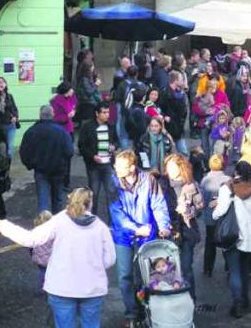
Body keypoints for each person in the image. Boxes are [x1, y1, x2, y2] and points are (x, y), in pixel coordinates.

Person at [0, 188, 116, 328]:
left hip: (61, 287)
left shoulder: (59, 220)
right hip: (92, 287)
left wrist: (3, 226)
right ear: (90, 204)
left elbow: (30, 238)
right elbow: (109, 259)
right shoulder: (100, 227)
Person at [109, 150, 171, 324]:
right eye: (116, 166)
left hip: (147, 235)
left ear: (132, 167)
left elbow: (158, 204)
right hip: (123, 236)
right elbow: (116, 213)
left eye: (120, 167)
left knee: (147, 274)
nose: (116, 169)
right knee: (125, 276)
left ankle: (148, 308)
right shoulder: (113, 183)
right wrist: (136, 229)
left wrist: (164, 226)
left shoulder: (149, 181)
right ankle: (132, 313)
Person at [212, 161, 251, 319]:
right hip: (250, 237)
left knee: (234, 270)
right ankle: (245, 299)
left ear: (235, 172)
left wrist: (214, 214)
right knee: (244, 269)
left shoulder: (227, 188)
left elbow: (221, 211)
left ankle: (237, 304)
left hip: (233, 235)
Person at [160, 154, 204, 300]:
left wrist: (189, 210)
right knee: (167, 269)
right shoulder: (162, 184)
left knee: (186, 268)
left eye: (173, 167)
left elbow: (200, 207)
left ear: (181, 167)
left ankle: (190, 300)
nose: (170, 170)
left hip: (186, 231)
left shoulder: (191, 184)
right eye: (168, 167)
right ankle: (173, 299)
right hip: (169, 231)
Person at [20, 105, 74, 213]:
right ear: (53, 114)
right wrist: (63, 163)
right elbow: (69, 151)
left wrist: (30, 165)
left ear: (40, 115)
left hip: (40, 170)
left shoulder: (32, 131)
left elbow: (24, 151)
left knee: (43, 201)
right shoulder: (61, 131)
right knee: (58, 199)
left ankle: (44, 221)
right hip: (58, 170)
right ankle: (57, 221)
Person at [78, 102, 119, 219]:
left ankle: (112, 221)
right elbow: (82, 146)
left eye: (108, 112)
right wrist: (92, 156)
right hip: (93, 166)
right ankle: (92, 219)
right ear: (97, 113)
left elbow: (117, 141)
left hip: (108, 164)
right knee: (94, 194)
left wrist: (114, 146)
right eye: (104, 112)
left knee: (111, 192)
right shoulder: (87, 127)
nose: (107, 115)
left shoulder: (111, 126)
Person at [201, 154, 232, 276]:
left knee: (210, 242)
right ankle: (229, 266)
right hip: (224, 217)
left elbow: (203, 200)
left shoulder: (205, 180)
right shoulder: (228, 179)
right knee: (226, 242)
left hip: (210, 217)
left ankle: (208, 268)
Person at [160, 71, 190, 156]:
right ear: (175, 80)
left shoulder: (180, 93)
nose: (182, 81)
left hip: (179, 127)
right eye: (181, 79)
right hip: (169, 127)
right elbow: (159, 108)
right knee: (169, 152)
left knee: (183, 153)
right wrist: (164, 116)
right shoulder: (165, 93)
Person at [0, 77, 19, 160]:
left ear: (5, 85)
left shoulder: (9, 96)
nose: (1, 84)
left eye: (3, 82)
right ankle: (1, 164)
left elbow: (14, 109)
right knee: (0, 147)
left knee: (10, 147)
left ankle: (8, 165)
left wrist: (15, 116)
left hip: (10, 125)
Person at [75, 60, 101, 125]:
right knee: (88, 122)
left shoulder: (86, 77)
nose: (93, 67)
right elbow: (89, 92)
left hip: (87, 103)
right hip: (88, 103)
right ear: (88, 68)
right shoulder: (84, 79)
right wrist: (96, 84)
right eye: (92, 66)